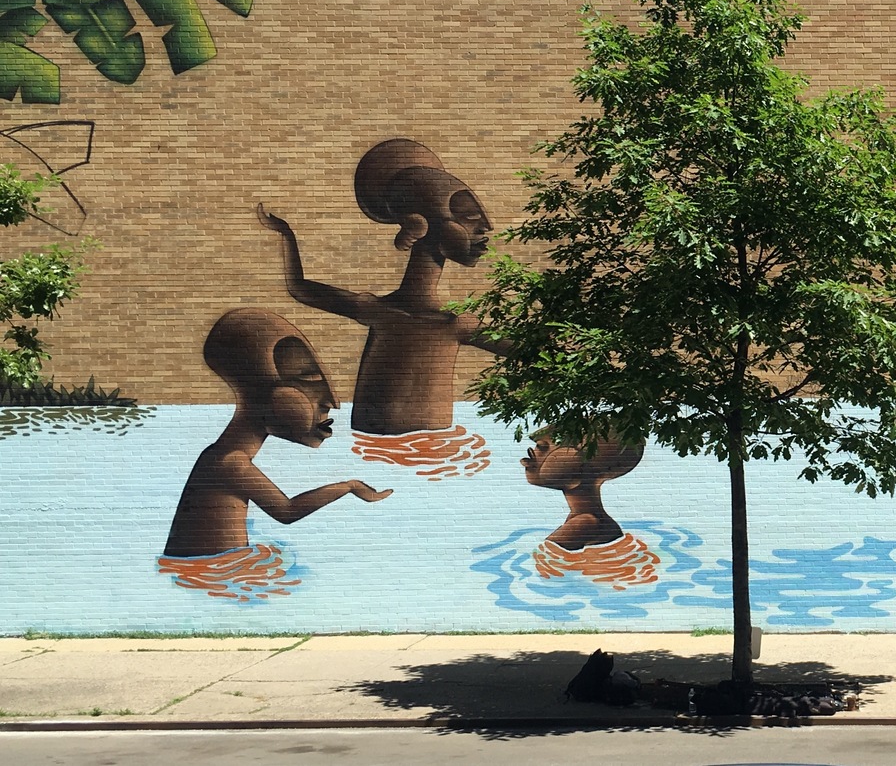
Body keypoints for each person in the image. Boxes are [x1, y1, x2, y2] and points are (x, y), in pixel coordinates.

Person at [257, 138, 508, 435]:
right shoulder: (386, 312)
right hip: (380, 453)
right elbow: (299, 288)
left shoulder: (450, 323)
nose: (486, 228)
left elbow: (535, 352)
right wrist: (285, 234)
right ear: (418, 224)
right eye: (468, 217)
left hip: (434, 457)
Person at [163, 308, 392, 558]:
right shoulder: (230, 462)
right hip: (211, 577)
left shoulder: (223, 456)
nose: (331, 403)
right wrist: (349, 486)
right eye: (308, 379)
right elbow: (287, 511)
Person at [522, 427, 645, 550]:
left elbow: (539, 560)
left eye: (543, 448)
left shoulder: (585, 523)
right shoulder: (585, 518)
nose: (525, 461)